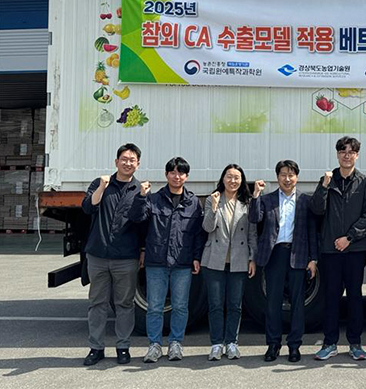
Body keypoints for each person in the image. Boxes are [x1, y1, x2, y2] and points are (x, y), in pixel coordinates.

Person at [128, 157, 207, 363]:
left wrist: (197, 257)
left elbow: (198, 234)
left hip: (183, 262)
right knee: (155, 306)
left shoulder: (193, 202)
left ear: (186, 176)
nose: (176, 176)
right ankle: (154, 345)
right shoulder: (153, 199)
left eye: (181, 173)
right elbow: (137, 219)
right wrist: (141, 197)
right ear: (166, 175)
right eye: (173, 172)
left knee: (180, 306)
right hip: (157, 261)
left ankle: (175, 344)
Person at [311, 136, 366, 361]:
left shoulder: (365, 183)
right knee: (331, 297)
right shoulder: (327, 180)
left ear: (357, 155)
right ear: (337, 154)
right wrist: (323, 187)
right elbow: (317, 210)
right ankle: (329, 343)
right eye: (342, 152)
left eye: (351, 152)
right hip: (330, 250)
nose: (346, 156)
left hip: (354, 250)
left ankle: (355, 343)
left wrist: (349, 238)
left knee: (355, 296)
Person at [249, 160, 318, 363]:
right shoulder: (268, 199)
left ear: (297, 177)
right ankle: (273, 344)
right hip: (274, 255)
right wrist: (255, 195)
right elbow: (254, 218)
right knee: (273, 302)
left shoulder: (305, 201)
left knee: (297, 303)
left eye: (291, 175)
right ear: (277, 177)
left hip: (298, 254)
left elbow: (312, 232)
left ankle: (294, 346)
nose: (287, 179)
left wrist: (313, 259)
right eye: (283, 175)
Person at [81, 143, 144, 366]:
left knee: (124, 304)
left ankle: (123, 347)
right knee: (97, 303)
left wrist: (142, 251)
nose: (128, 163)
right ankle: (96, 348)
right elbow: (88, 208)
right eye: (124, 159)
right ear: (116, 162)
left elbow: (142, 223)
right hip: (98, 255)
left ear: (138, 164)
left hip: (126, 258)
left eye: (132, 160)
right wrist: (101, 187)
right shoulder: (101, 184)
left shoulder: (139, 190)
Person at [201, 164, 257, 361]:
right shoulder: (213, 199)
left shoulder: (247, 203)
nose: (233, 181)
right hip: (214, 259)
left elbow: (252, 233)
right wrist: (214, 208)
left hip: (239, 260)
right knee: (215, 304)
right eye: (229, 176)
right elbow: (207, 227)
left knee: (235, 304)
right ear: (223, 178)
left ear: (242, 181)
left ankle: (232, 342)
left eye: (236, 177)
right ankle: (217, 344)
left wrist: (252, 258)